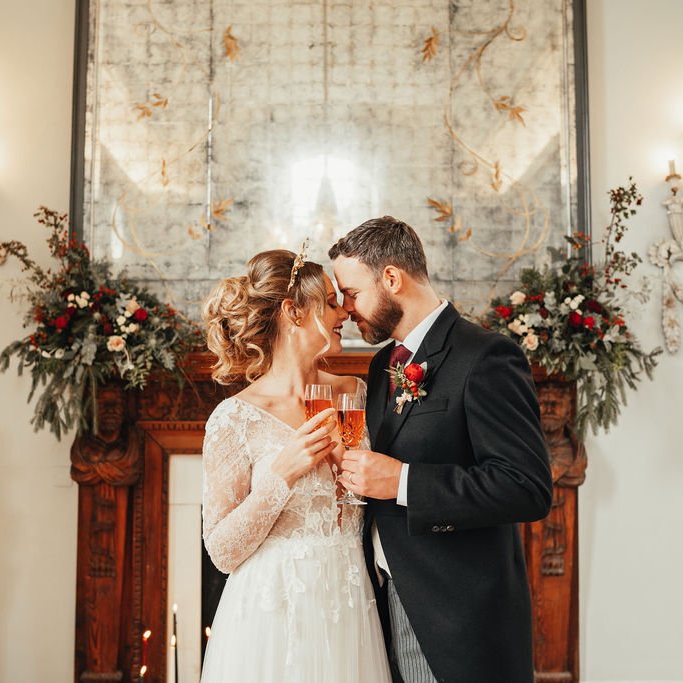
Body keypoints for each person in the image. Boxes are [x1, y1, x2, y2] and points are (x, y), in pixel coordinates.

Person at [329, 216, 554, 683]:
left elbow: (526, 487)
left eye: (351, 293)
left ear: (391, 278)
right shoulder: (380, 367)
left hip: (457, 617)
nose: (346, 308)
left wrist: (403, 481)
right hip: (382, 605)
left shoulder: (486, 356)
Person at [199, 248, 393, 683]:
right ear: (292, 311)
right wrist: (281, 474)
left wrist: (348, 464)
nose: (345, 309)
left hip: (349, 603)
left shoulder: (356, 394)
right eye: (329, 301)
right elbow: (222, 552)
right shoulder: (235, 418)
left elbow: (370, 499)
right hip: (270, 616)